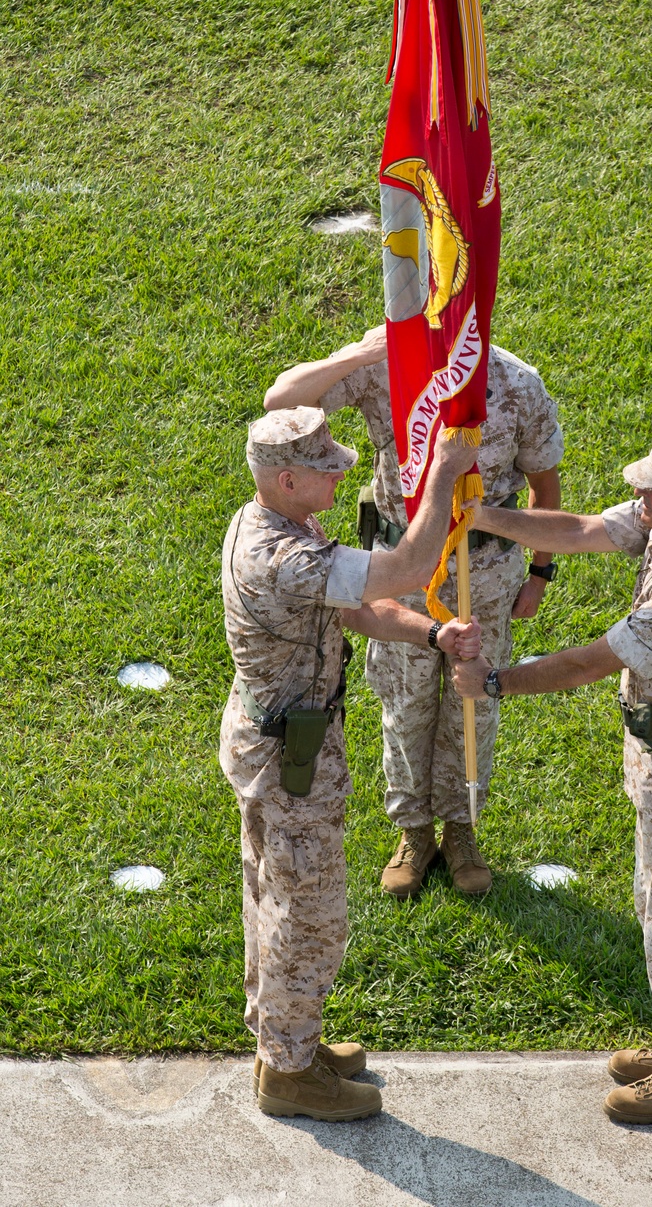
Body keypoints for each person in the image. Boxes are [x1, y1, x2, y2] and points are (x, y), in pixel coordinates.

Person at [452, 420, 652, 1125]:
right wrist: (485, 516)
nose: (638, 495)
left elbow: (594, 660)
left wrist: (495, 681)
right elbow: (584, 529)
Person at [220, 406, 481, 1122]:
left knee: (277, 898)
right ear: (287, 477)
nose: (342, 467)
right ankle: (289, 1072)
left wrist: (431, 630)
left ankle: (288, 1041)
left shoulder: (276, 524)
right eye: (325, 462)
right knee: (310, 914)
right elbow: (407, 565)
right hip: (288, 763)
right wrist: (444, 476)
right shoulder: (283, 556)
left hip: (278, 744)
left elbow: (363, 606)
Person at [263, 325, 563, 896]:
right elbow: (282, 403)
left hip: (486, 572)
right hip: (400, 569)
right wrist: (366, 350)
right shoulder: (386, 370)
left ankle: (461, 829)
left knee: (474, 699)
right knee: (406, 699)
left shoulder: (516, 382)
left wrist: (540, 572)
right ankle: (414, 831)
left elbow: (544, 490)